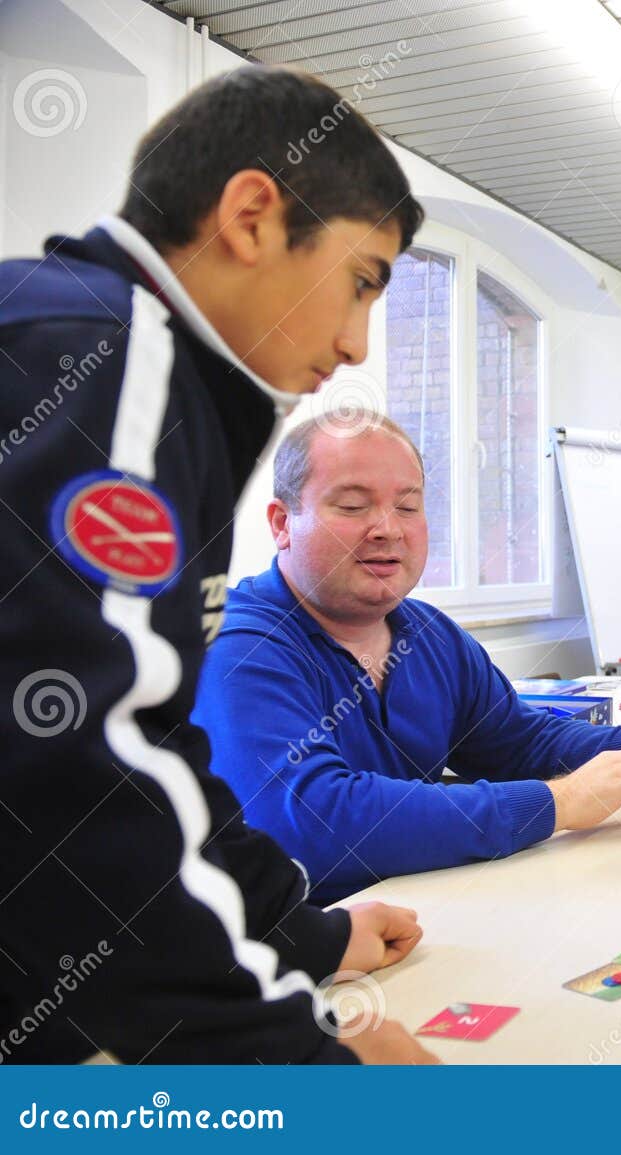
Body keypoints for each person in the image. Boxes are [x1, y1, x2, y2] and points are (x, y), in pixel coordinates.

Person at [0, 66, 437, 1063]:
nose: (358, 343)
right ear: (251, 216)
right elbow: (73, 771)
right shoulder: (115, 357)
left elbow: (149, 741)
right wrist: (299, 1061)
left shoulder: (120, 361)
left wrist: (305, 933)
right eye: (361, 281)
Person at [192, 414, 621, 903]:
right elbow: (315, 818)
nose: (388, 529)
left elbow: (518, 741)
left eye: (407, 506)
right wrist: (555, 804)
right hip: (289, 957)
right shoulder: (239, 646)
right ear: (282, 523)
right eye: (352, 506)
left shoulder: (427, 633)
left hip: (420, 915)